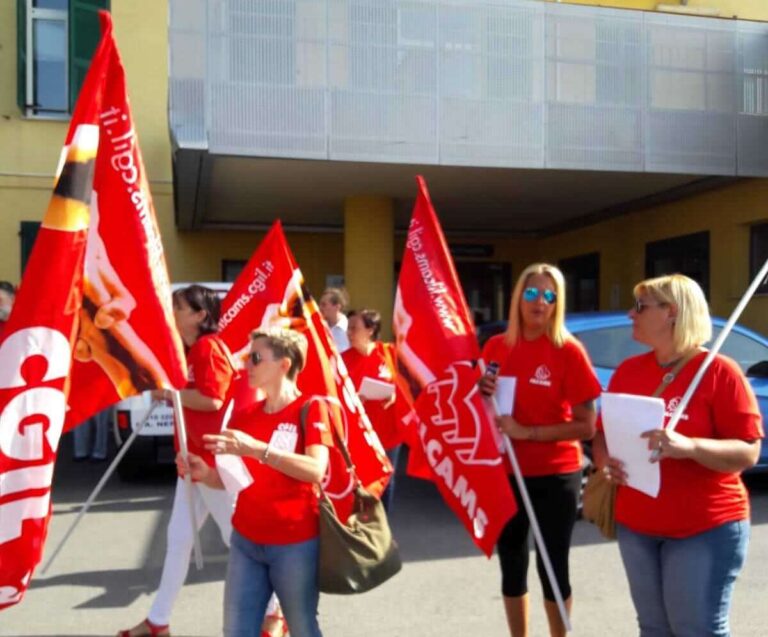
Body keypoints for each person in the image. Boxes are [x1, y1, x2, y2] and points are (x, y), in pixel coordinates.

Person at [592, 274, 764, 637]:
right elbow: (602, 433)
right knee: (653, 629)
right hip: (636, 524)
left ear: (671, 312)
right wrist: (606, 461)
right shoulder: (628, 371)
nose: (630, 314)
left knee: (697, 629)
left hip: (704, 526)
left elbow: (749, 451)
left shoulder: (719, 372)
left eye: (640, 306)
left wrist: (689, 447)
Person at [180, 328, 333, 637]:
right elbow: (232, 479)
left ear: (284, 364)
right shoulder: (244, 416)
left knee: (303, 627)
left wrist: (257, 449)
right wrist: (204, 473)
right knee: (236, 631)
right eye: (247, 358)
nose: (246, 365)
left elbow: (316, 469)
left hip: (295, 544)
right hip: (246, 542)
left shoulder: (311, 408)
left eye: (256, 358)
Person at [478, 263, 601, 637]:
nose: (540, 302)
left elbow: (587, 425)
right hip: (507, 473)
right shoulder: (496, 346)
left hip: (555, 474)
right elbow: (483, 407)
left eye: (550, 296)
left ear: (557, 304)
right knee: (511, 563)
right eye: (532, 293)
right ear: (518, 298)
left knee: (552, 567)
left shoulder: (569, 351)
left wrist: (527, 432)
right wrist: (481, 391)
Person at [118, 285, 237, 637]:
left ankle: (276, 612)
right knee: (179, 540)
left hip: (209, 463)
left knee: (239, 542)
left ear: (201, 315)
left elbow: (213, 400)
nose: (172, 311)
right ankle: (158, 620)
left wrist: (168, 393)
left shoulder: (207, 347)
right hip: (192, 460)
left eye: (179, 306)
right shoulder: (192, 349)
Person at [342, 309, 403, 511]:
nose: (349, 333)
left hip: (388, 431)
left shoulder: (389, 353)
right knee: (358, 481)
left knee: (386, 481)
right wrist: (352, 400)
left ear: (370, 330)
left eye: (354, 328)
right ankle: (360, 526)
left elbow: (404, 385)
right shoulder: (342, 360)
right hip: (358, 433)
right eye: (348, 328)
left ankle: (382, 528)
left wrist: (394, 394)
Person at [318, 287, 349, 352]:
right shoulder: (319, 327)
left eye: (324, 305)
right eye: (320, 304)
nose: (319, 308)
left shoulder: (349, 329)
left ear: (337, 307)